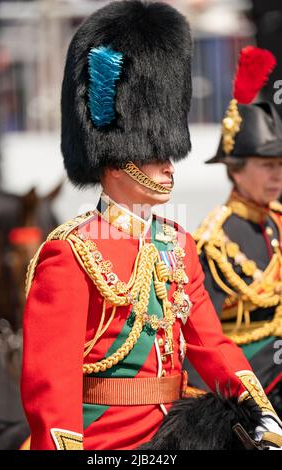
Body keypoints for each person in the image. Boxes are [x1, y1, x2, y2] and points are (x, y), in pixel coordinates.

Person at [21, 2, 282, 450]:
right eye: (153, 154)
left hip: (176, 428)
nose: (168, 166)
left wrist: (261, 411)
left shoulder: (176, 242)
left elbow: (211, 344)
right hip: (108, 440)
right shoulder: (71, 252)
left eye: (168, 152)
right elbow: (51, 386)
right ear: (116, 160)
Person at [192, 46, 282, 418]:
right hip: (250, 385)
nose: (277, 173)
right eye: (266, 164)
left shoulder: (278, 220)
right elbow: (203, 339)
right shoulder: (216, 240)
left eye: (280, 163)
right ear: (236, 168)